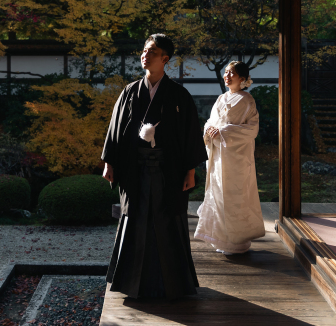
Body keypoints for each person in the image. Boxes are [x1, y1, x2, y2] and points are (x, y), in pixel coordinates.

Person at [101, 34, 207, 299]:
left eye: (152, 52)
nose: (145, 55)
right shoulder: (129, 91)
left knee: (167, 220)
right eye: (144, 50)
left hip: (167, 170)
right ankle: (129, 282)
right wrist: (109, 162)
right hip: (134, 169)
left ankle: (173, 283)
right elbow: (116, 130)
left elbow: (189, 134)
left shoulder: (178, 95)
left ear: (165, 59)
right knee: (134, 219)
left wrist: (191, 171)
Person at [194, 61, 265, 254]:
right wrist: (209, 129)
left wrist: (222, 131)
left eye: (231, 73)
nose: (227, 76)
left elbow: (251, 129)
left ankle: (238, 241)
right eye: (226, 72)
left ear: (242, 79)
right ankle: (221, 239)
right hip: (219, 154)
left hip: (236, 157)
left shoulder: (246, 99)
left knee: (235, 195)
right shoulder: (221, 98)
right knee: (217, 193)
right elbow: (212, 121)